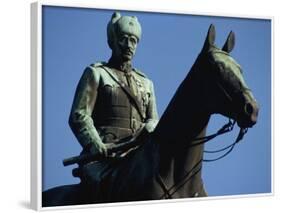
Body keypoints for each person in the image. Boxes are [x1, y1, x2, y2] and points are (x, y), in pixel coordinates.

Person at [68, 12, 159, 201]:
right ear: (112, 41)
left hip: (137, 156)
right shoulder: (97, 74)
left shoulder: (146, 83)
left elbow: (153, 118)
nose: (129, 46)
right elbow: (79, 115)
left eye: (133, 41)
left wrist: (152, 126)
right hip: (104, 157)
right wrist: (95, 144)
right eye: (124, 39)